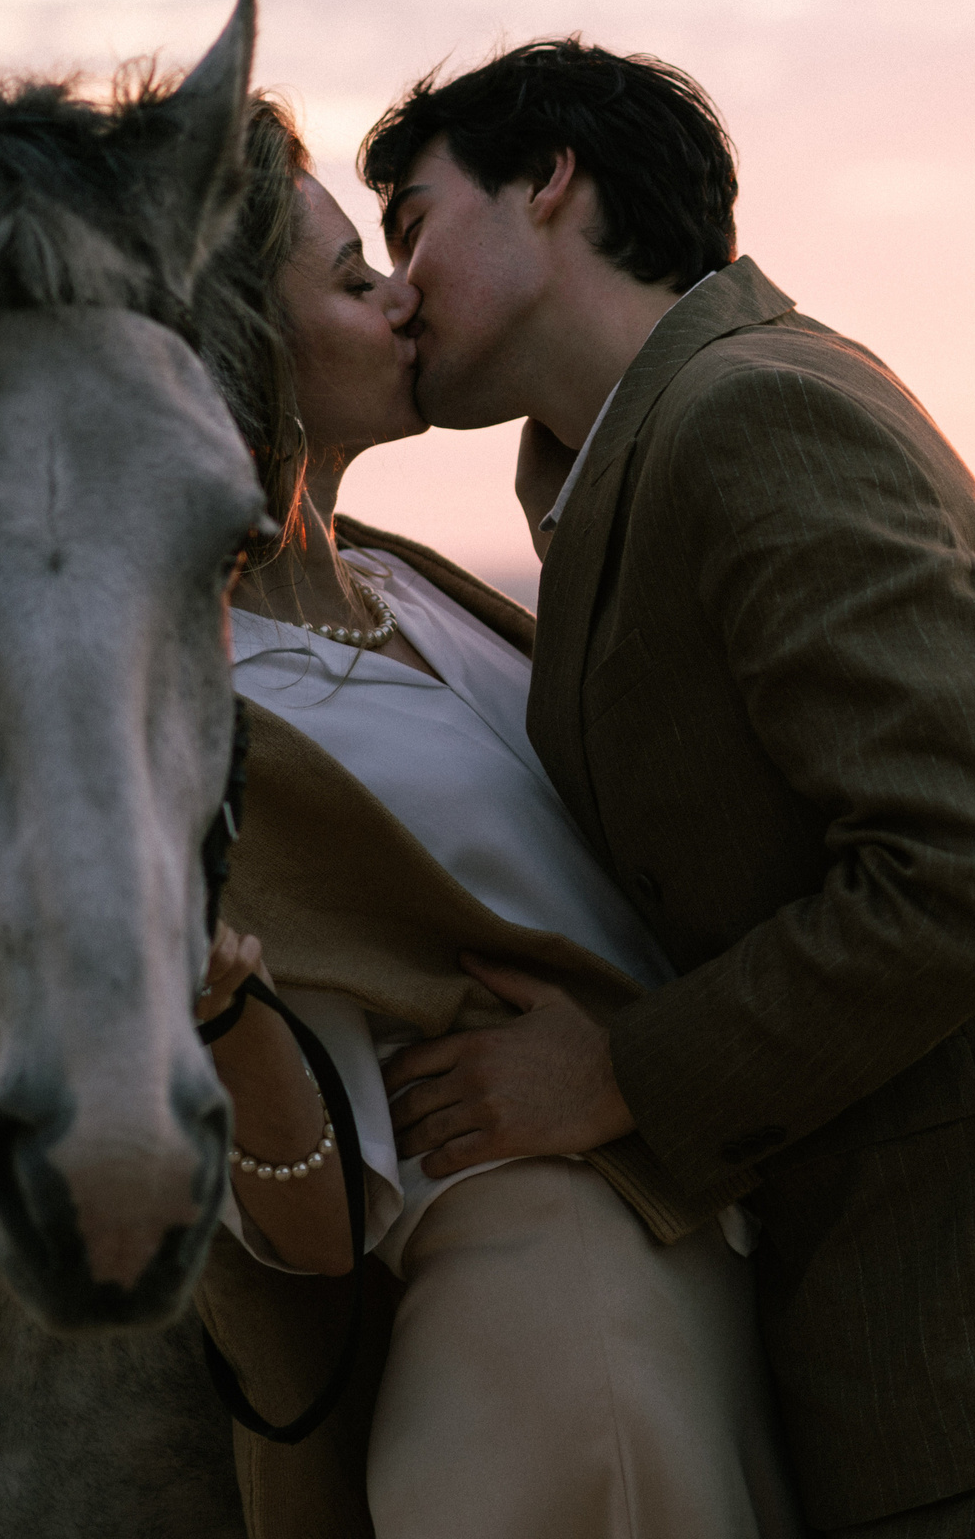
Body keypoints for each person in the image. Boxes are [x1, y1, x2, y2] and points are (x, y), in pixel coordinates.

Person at [360, 41, 975, 1538]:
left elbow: (972, 876)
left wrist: (622, 1076)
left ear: (550, 181)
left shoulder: (753, 411)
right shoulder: (640, 446)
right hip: (896, 1304)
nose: (397, 293)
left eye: (412, 228)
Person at [186, 94, 800, 1539]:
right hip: (551, 1331)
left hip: (689, 1280)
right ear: (239, 343)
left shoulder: (406, 590)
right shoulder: (204, 711)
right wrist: (222, 1013)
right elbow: (308, 1217)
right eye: (355, 277)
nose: (403, 297)